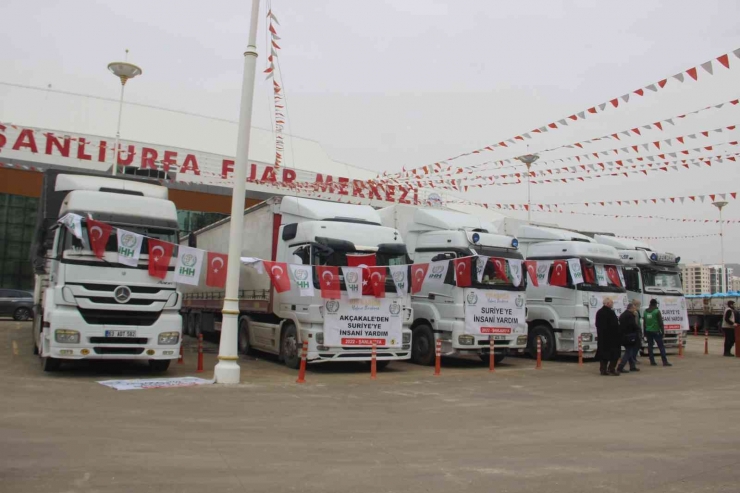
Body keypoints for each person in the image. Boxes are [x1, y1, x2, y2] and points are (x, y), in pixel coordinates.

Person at [595, 297, 621, 376]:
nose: (612, 304)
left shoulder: (599, 312)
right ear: (607, 304)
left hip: (602, 337)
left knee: (603, 354)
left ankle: (603, 369)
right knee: (615, 354)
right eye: (611, 303)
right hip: (612, 337)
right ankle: (611, 369)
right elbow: (615, 325)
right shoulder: (610, 313)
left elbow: (597, 324)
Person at [644, 299, 672, 367]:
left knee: (650, 346)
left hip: (648, 331)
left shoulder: (645, 311)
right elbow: (661, 323)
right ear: (656, 304)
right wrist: (663, 332)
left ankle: (652, 361)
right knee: (661, 347)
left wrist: (644, 332)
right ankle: (664, 361)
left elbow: (644, 323)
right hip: (656, 331)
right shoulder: (657, 311)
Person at [617, 303, 641, 373]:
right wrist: (638, 329)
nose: (635, 310)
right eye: (634, 308)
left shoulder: (623, 315)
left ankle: (632, 366)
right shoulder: (630, 315)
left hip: (623, 336)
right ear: (630, 308)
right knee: (629, 352)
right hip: (629, 336)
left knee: (629, 351)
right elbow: (633, 325)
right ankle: (620, 367)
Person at [631, 299, 643, 366]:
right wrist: (638, 330)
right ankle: (633, 358)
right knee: (637, 345)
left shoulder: (637, 312)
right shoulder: (635, 312)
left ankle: (633, 358)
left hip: (638, 330)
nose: (639, 306)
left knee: (637, 345)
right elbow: (636, 322)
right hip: (636, 331)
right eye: (638, 305)